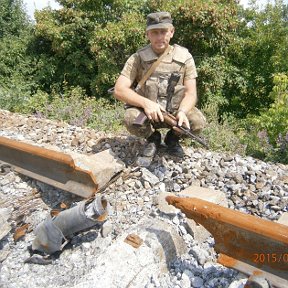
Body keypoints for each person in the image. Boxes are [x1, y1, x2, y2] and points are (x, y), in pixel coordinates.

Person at [114, 11, 206, 166]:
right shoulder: (138, 58)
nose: (159, 37)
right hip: (148, 114)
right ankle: (153, 138)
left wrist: (182, 112)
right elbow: (119, 90)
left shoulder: (185, 57)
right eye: (154, 32)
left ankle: (173, 139)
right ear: (147, 34)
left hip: (175, 114)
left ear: (171, 32)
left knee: (196, 122)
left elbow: (191, 93)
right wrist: (145, 103)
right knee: (131, 119)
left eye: (163, 32)